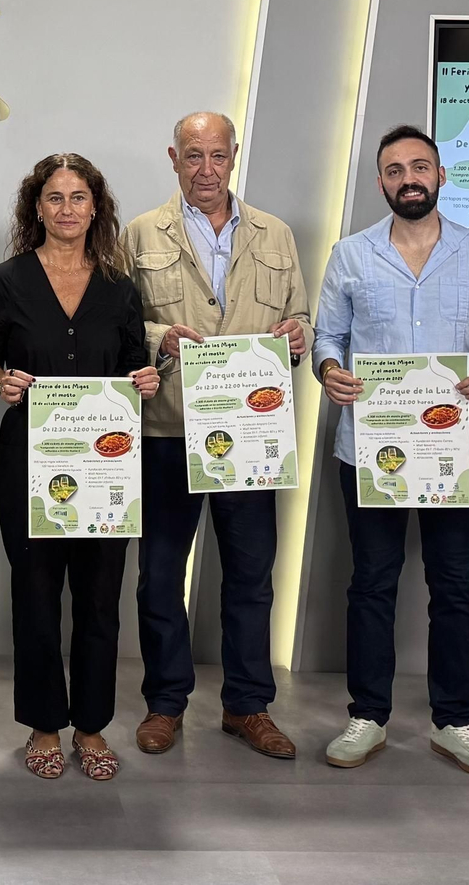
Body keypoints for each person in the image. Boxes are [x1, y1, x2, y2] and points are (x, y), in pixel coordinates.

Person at [313, 123, 469, 777]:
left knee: (454, 587)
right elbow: (328, 336)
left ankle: (453, 721)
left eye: (419, 166)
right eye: (394, 170)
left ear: (440, 174)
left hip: (457, 449)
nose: (408, 178)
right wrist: (329, 370)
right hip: (371, 445)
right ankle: (368, 716)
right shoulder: (351, 254)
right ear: (381, 182)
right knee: (371, 583)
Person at [119, 112, 312, 759]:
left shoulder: (276, 234)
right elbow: (119, 324)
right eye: (194, 155)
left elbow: (300, 316)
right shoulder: (140, 233)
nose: (207, 169)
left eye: (218, 155)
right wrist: (157, 337)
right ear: (174, 158)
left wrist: (300, 334)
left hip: (252, 436)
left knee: (251, 577)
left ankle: (248, 705)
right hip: (168, 429)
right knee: (159, 576)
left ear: (234, 156)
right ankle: (165, 703)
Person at [0, 154, 158, 781]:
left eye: (79, 197)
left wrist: (147, 379)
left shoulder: (119, 288)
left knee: (100, 599)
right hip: (29, 464)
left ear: (95, 207)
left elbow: (134, 368)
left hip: (107, 469)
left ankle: (92, 726)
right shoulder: (7, 282)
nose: (68, 208)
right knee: (36, 595)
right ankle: (45, 725)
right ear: (37, 207)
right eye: (55, 197)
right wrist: (0, 381)